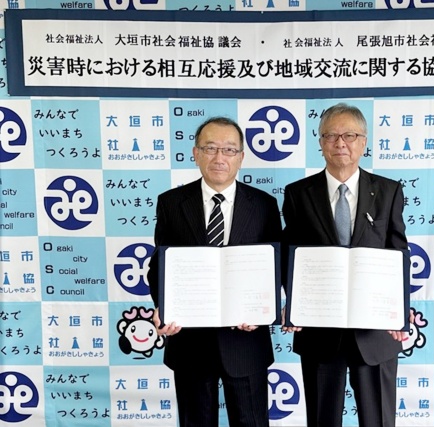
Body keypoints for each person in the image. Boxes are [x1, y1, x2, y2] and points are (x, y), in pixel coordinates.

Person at [147, 116, 282, 427]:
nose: (219, 157)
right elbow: (160, 264)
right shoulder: (171, 203)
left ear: (241, 157)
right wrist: (162, 306)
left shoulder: (264, 205)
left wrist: (262, 309)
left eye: (229, 149)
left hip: (246, 341)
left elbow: (273, 267)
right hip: (189, 340)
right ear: (196, 153)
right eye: (210, 148)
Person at [282, 103, 411, 427]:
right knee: (322, 420)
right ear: (321, 142)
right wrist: (293, 303)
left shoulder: (388, 191)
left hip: (375, 330)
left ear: (363, 142)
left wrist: (399, 307)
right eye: (331, 135)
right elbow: (290, 255)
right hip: (319, 330)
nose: (340, 143)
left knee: (378, 420)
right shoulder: (298, 194)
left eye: (349, 135)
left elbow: (398, 252)